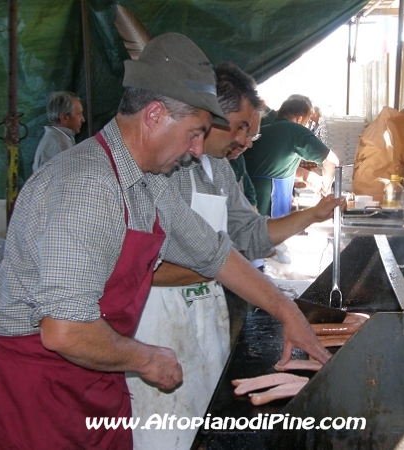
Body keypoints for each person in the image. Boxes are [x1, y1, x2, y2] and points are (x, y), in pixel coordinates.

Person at [0, 33, 329, 450]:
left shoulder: (147, 183)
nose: (197, 151)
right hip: (35, 389)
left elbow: (214, 253)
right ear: (154, 115)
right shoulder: (88, 186)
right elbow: (64, 332)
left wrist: (288, 313)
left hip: (93, 381)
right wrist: (146, 358)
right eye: (194, 133)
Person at [128, 62, 345, 450]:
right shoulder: (163, 169)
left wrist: (310, 215)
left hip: (203, 318)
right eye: (242, 126)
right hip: (155, 323)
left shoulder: (219, 171)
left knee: (202, 421)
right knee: (158, 432)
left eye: (251, 131)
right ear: (210, 113)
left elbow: (249, 233)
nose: (247, 140)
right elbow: (146, 269)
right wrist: (228, 273)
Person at [244, 98, 339, 217]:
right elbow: (331, 160)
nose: (309, 126)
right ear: (299, 119)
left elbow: (275, 166)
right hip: (265, 205)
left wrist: (306, 176)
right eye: (309, 121)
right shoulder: (295, 131)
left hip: (253, 201)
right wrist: (326, 190)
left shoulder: (271, 130)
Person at [31, 91, 85, 172]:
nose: (83, 120)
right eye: (79, 114)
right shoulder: (59, 145)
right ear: (64, 118)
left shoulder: (58, 138)